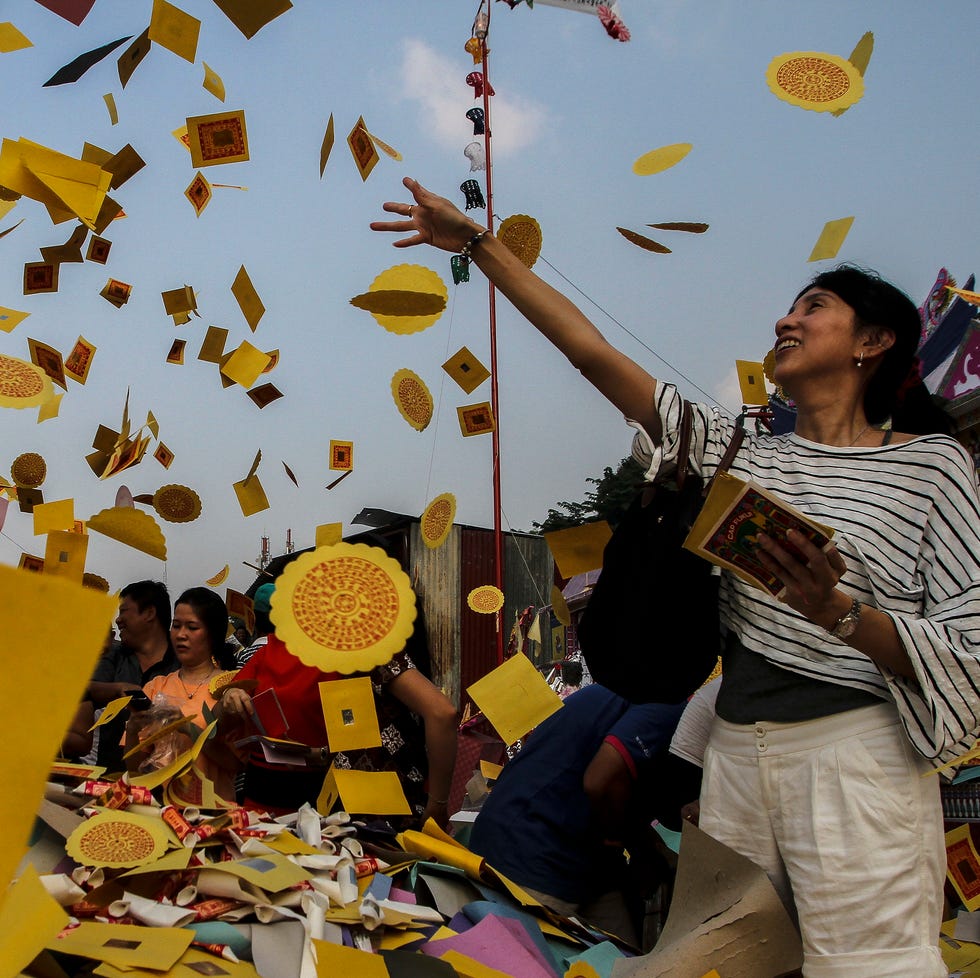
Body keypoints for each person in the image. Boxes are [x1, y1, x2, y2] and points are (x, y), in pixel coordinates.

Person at [372, 179, 980, 977]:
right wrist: (477, 243)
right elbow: (590, 354)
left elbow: (969, 639)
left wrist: (837, 613)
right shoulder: (738, 451)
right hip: (734, 755)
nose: (784, 320)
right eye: (787, 309)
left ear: (872, 342)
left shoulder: (930, 465)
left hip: (854, 755)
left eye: (814, 307)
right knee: (731, 960)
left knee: (872, 967)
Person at [218, 580, 458, 826]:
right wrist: (317, 754)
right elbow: (358, 740)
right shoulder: (346, 658)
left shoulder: (372, 654)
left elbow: (443, 714)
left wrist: (437, 804)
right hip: (347, 807)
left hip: (383, 811)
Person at [468, 684, 686, 947]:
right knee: (534, 960)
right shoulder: (667, 704)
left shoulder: (629, 694)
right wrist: (618, 838)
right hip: (533, 847)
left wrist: (644, 847)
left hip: (581, 855)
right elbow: (600, 778)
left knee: (623, 955)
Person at [124, 587, 240, 802]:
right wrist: (132, 730)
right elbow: (135, 771)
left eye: (192, 627)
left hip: (214, 813)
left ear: (213, 633)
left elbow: (235, 763)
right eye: (176, 626)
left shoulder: (230, 687)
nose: (181, 634)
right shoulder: (157, 686)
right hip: (163, 812)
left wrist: (186, 726)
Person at [87, 581, 178, 772]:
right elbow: (87, 688)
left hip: (164, 782)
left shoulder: (181, 662)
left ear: (149, 613)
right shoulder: (114, 654)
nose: (118, 620)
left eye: (124, 611)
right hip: (111, 777)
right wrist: (118, 689)